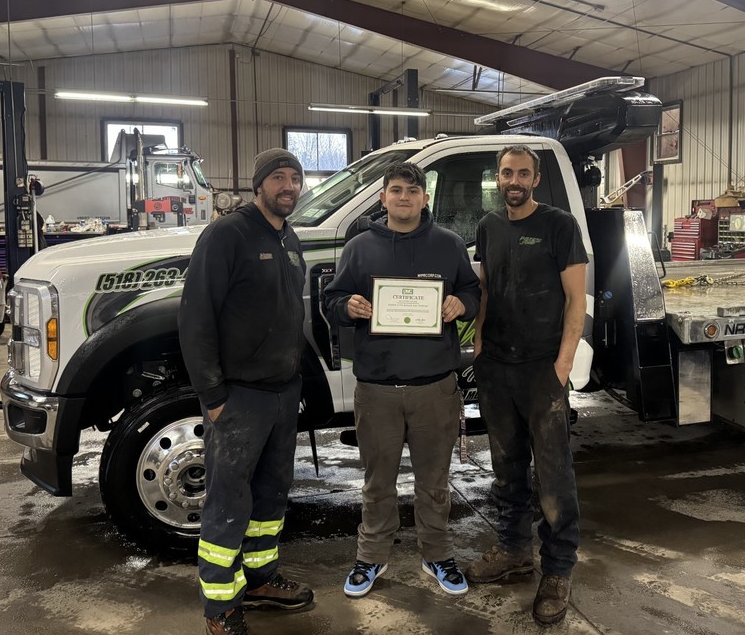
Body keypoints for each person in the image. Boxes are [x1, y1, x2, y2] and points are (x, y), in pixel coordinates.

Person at [324, 162, 481, 600]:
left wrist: (459, 304)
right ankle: (371, 556)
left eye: (413, 190)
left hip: (435, 387)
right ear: (383, 199)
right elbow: (332, 299)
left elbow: (473, 292)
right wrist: (347, 306)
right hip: (377, 389)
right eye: (396, 190)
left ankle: (437, 554)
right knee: (378, 483)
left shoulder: (449, 246)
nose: (404, 197)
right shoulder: (359, 249)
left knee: (435, 482)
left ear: (425, 198)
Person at [179, 148, 314, 635]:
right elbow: (196, 318)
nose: (289, 186)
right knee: (228, 502)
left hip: (281, 394)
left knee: (270, 496)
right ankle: (220, 607)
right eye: (279, 178)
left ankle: (259, 579)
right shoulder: (226, 235)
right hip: (238, 398)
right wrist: (213, 396)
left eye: (295, 178)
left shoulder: (288, 237)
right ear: (259, 185)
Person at [467, 144, 587, 627]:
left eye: (522, 173)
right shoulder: (488, 227)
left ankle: (557, 570)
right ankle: (514, 551)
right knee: (506, 468)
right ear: (497, 178)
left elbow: (576, 299)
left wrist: (562, 366)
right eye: (505, 172)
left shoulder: (559, 226)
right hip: (497, 366)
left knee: (554, 476)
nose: (513, 180)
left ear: (535, 179)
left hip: (542, 370)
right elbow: (486, 291)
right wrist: (477, 347)